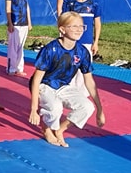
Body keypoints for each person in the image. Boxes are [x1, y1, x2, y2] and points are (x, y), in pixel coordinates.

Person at [29, 11, 106, 147]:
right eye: (74, 26)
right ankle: (46, 128)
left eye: (81, 26)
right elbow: (36, 80)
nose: (79, 29)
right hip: (44, 85)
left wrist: (99, 109)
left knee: (87, 107)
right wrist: (34, 109)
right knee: (55, 108)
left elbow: (89, 81)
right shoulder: (50, 49)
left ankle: (60, 130)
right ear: (62, 29)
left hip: (63, 85)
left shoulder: (82, 52)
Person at [5, 0, 32, 76]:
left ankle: (19, 68)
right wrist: (10, 23)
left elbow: (27, 6)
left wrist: (29, 22)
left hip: (24, 22)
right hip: (15, 22)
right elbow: (8, 8)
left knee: (21, 46)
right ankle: (11, 68)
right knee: (13, 47)